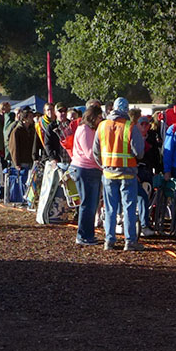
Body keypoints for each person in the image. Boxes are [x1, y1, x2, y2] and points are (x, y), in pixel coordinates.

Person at [94, 97, 146, 251]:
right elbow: (140, 153)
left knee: (110, 208)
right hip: (128, 174)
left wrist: (103, 166)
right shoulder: (130, 127)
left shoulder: (102, 126)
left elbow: (95, 152)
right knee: (128, 208)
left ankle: (109, 241)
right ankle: (130, 241)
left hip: (109, 174)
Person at [70, 104, 104, 247]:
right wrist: (104, 162)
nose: (101, 120)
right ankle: (83, 235)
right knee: (87, 204)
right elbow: (90, 153)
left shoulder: (89, 130)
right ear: (93, 117)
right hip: (85, 169)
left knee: (91, 204)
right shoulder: (84, 130)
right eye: (99, 117)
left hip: (90, 170)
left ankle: (88, 234)